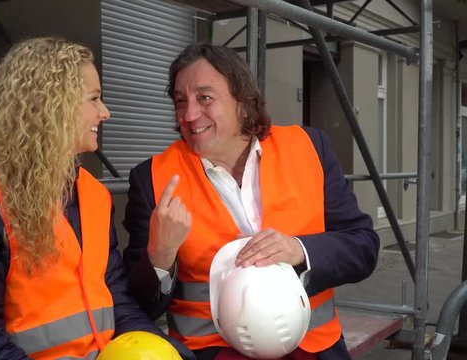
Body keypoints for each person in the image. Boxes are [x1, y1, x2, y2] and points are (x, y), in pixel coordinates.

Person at [0, 36, 194, 360]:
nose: (105, 112)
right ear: (51, 106)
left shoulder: (93, 195)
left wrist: (173, 354)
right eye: (94, 99)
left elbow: (117, 305)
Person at [123, 42, 380, 360]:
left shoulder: (309, 148)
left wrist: (298, 250)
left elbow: (363, 248)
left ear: (243, 102)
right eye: (180, 101)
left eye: (205, 98)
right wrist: (159, 258)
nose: (189, 115)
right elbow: (137, 305)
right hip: (213, 352)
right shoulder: (152, 179)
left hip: (311, 347)